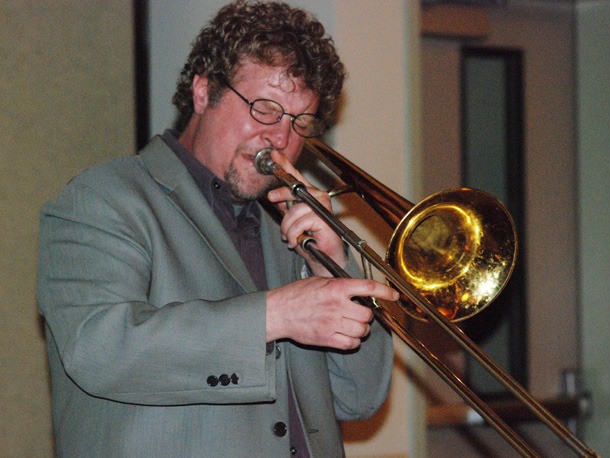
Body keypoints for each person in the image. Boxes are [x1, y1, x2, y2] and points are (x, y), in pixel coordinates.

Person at [37, 1, 397, 456]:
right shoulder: (103, 199)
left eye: (300, 122)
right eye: (265, 109)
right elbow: (99, 348)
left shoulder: (294, 225)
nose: (281, 139)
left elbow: (360, 399)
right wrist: (277, 315)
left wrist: (335, 268)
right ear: (204, 92)